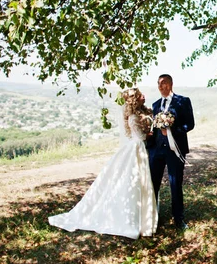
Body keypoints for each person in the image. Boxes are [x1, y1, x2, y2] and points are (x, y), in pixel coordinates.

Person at [48, 88, 158, 239]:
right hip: (136, 149)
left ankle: (142, 219)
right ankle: (131, 220)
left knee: (140, 181)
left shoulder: (139, 113)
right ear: (135, 99)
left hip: (138, 148)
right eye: (139, 95)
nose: (142, 96)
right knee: (135, 180)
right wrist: (149, 134)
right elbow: (140, 137)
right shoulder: (132, 117)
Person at [148, 74, 195, 230]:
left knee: (175, 184)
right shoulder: (155, 105)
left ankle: (178, 219)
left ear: (171, 84)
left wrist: (173, 129)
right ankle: (152, 218)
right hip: (157, 152)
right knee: (153, 184)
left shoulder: (183, 101)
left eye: (164, 83)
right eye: (159, 84)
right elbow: (153, 129)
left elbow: (190, 124)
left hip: (175, 150)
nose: (161, 86)